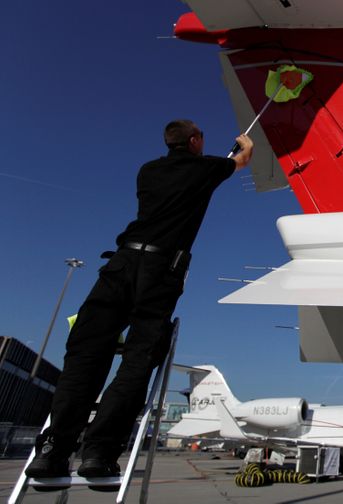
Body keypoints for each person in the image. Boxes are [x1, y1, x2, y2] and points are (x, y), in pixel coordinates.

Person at [26, 120, 254, 479]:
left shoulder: (148, 171)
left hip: (119, 265)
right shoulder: (205, 167)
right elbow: (243, 159)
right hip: (160, 272)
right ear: (194, 141)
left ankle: (53, 449)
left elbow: (192, 180)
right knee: (138, 359)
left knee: (84, 356)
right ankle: (98, 453)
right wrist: (245, 142)